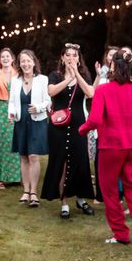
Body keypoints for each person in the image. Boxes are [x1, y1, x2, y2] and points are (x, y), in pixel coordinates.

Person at [79, 50, 132, 253]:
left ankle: (121, 234)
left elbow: (95, 120)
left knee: (109, 192)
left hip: (112, 146)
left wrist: (81, 130)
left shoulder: (103, 90)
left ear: (113, 68)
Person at [41, 43, 95, 219]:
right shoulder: (55, 75)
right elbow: (51, 91)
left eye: (74, 55)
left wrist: (76, 75)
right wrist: (67, 79)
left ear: (78, 59)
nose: (71, 58)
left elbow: (90, 93)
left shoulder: (84, 75)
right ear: (62, 58)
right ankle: (63, 202)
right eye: (68, 55)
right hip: (59, 125)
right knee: (61, 162)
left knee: (80, 162)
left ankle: (81, 198)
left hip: (78, 123)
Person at [8, 49, 51, 207]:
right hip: (21, 121)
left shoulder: (42, 79)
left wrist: (39, 107)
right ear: (19, 64)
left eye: (28, 61)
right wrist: (11, 113)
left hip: (37, 121)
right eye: (22, 61)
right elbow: (12, 102)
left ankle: (34, 192)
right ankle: (25, 191)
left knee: (33, 156)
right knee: (23, 156)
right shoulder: (15, 80)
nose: (25, 64)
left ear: (34, 62)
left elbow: (48, 101)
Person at [91, 45, 119, 203]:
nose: (112, 58)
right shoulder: (101, 76)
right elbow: (92, 93)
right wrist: (97, 76)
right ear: (106, 58)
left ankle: (115, 194)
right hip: (101, 124)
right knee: (100, 160)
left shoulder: (122, 77)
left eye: (115, 55)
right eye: (110, 55)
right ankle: (100, 194)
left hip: (116, 124)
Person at [0, 48, 21, 189]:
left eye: (7, 56)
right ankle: (0, 178)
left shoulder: (18, 74)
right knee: (1, 143)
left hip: (15, 109)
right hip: (1, 109)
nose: (5, 58)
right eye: (2, 56)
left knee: (16, 142)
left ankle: (16, 176)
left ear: (12, 58)